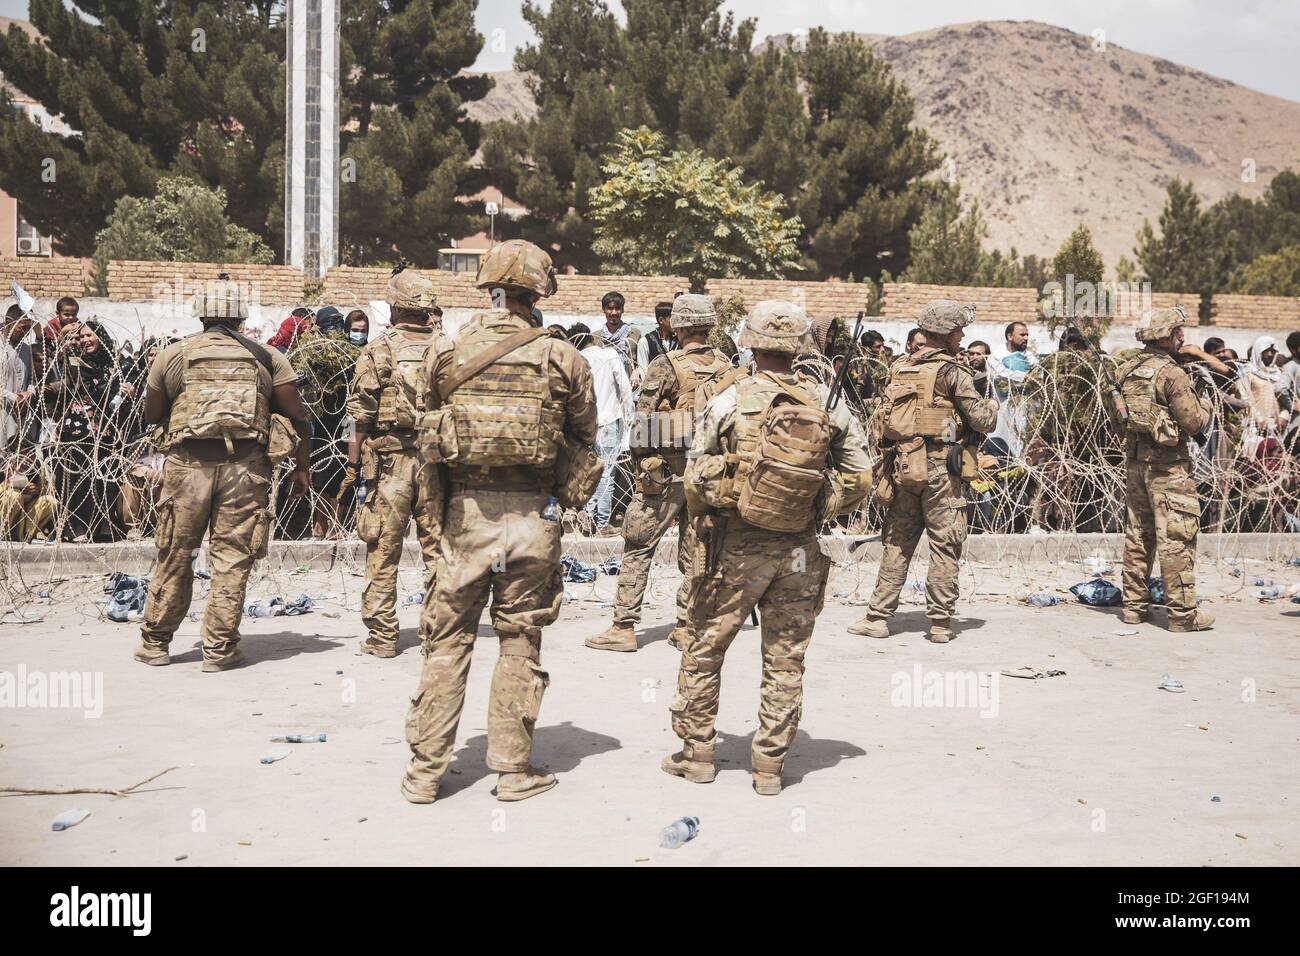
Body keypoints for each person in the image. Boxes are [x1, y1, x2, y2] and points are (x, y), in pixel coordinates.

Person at [402, 239, 597, 805]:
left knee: (447, 640)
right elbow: (586, 434)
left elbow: (424, 424)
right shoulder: (564, 357)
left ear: (489, 288)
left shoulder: (449, 350)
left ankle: (424, 773)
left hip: (464, 517)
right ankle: (512, 770)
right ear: (538, 293)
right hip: (532, 519)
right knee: (519, 640)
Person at [666, 300, 871, 795]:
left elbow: (695, 478)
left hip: (736, 545)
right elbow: (862, 477)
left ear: (750, 341)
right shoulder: (825, 401)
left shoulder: (731, 398)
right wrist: (817, 507)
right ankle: (769, 767)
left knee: (704, 647)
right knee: (785, 658)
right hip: (800, 550)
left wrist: (713, 514)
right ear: (800, 344)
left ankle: (696, 755)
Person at [134, 274, 312, 671]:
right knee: (232, 558)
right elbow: (299, 418)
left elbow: (152, 415)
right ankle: (218, 650)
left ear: (201, 314)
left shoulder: (174, 355)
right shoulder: (268, 357)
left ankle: (156, 643)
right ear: (241, 317)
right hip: (246, 470)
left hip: (187, 466)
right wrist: (303, 467)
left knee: (176, 554)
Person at [586, 294, 739, 653]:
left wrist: (646, 457)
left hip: (666, 474)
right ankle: (687, 626)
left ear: (680, 326)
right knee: (699, 548)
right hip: (709, 473)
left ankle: (624, 627)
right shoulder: (727, 366)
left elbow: (641, 425)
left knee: (639, 544)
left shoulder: (665, 364)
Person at [849, 301, 999, 643]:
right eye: (959, 330)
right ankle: (941, 623)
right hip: (942, 467)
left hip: (904, 464)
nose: (962, 336)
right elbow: (982, 420)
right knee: (945, 543)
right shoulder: (953, 372)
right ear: (946, 333)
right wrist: (992, 405)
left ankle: (876, 617)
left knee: (897, 542)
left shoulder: (900, 366)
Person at [345, 268, 444, 658]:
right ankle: (437, 637)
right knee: (438, 553)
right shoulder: (448, 348)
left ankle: (383, 638)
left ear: (395, 305)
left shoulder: (379, 349)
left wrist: (354, 468)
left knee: (383, 549)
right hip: (438, 462)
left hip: (391, 464)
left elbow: (360, 415)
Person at [1113, 307, 1214, 631]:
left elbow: (1117, 419)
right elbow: (1193, 421)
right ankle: (1183, 616)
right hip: (1168, 468)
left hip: (1135, 463)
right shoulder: (1172, 374)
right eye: (1176, 332)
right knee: (1176, 538)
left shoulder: (1125, 369)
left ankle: (1133, 607)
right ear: (1163, 336)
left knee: (1138, 536)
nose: (1181, 337)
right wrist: (1208, 405)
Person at [54, 321, 126, 542]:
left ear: (101, 337)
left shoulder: (114, 363)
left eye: (89, 335)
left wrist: (125, 389)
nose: (84, 340)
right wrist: (114, 390)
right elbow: (91, 392)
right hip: (77, 428)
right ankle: (75, 528)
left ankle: (99, 526)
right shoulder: (75, 361)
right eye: (81, 336)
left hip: (104, 430)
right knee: (77, 479)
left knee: (101, 478)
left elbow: (131, 375)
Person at [570, 321, 633, 533]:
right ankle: (602, 522)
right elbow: (624, 386)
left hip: (585, 426)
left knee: (590, 471)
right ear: (592, 338)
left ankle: (588, 514)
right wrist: (630, 416)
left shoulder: (577, 360)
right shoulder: (610, 355)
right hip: (608, 422)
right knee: (606, 473)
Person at [2, 303, 35, 450]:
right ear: (9, 323)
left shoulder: (26, 349)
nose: (27, 333)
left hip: (23, 417)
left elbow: (32, 378)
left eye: (30, 328)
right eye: (23, 328)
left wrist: (30, 393)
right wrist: (13, 398)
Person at [597, 290, 640, 386]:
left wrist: (637, 372)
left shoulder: (634, 334)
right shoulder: (595, 337)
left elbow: (643, 361)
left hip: (629, 387)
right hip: (603, 387)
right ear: (603, 309)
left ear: (623, 310)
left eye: (617, 308)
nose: (614, 312)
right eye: (610, 308)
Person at [0, 471, 57, 541]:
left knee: (50, 501)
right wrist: (6, 485)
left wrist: (39, 489)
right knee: (14, 496)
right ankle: (2, 534)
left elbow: (51, 489)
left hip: (27, 512)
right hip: (5, 508)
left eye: (31, 459)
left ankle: (26, 536)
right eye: (21, 459)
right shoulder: (4, 465)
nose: (25, 461)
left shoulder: (40, 467)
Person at [638, 300, 677, 373]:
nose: (675, 322)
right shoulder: (645, 342)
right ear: (661, 320)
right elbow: (643, 371)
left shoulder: (678, 340)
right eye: (672, 319)